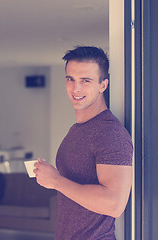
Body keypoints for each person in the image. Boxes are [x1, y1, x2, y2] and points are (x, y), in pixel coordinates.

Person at [34, 46, 133, 240]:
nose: (75, 88)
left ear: (103, 85)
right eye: (70, 79)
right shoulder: (78, 129)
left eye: (85, 81)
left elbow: (114, 204)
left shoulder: (110, 133)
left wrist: (56, 181)